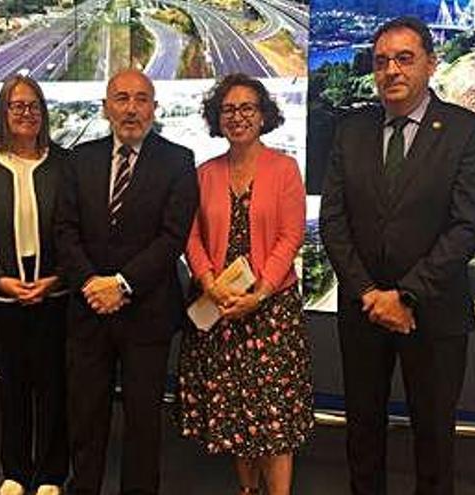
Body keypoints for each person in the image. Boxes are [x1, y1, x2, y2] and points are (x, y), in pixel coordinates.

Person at [319, 17, 475, 495]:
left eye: (404, 58)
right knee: (363, 435)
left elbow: (466, 226)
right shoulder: (349, 131)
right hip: (362, 311)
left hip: (433, 315)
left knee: (434, 439)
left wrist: (407, 295)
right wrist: (371, 294)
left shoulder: (468, 131)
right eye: (381, 61)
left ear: (430, 65)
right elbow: (333, 223)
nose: (391, 70)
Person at [55, 69, 199, 495]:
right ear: (105, 108)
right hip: (88, 311)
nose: (131, 108)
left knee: (142, 422)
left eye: (141, 99)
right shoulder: (79, 159)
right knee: (85, 416)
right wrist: (92, 285)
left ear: (154, 108)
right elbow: (64, 231)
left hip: (147, 313)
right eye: (121, 98)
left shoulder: (178, 161)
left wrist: (120, 284)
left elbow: (172, 238)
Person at [178, 73, 313, 495]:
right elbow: (190, 235)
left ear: (263, 115)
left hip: (271, 314)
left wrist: (261, 293)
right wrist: (209, 283)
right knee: (237, 414)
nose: (238, 117)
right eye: (228, 109)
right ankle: (248, 491)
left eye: (247, 108)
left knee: (274, 417)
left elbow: (291, 235)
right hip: (220, 308)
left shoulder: (285, 168)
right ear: (218, 118)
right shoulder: (204, 174)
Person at [0, 76, 69, 495]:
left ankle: (52, 474)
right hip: (1, 295)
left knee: (54, 386)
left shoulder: (64, 163)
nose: (26, 113)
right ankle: (16, 472)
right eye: (17, 105)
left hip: (54, 292)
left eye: (34, 105)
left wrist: (57, 278)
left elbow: (76, 231)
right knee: (13, 384)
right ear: (2, 113)